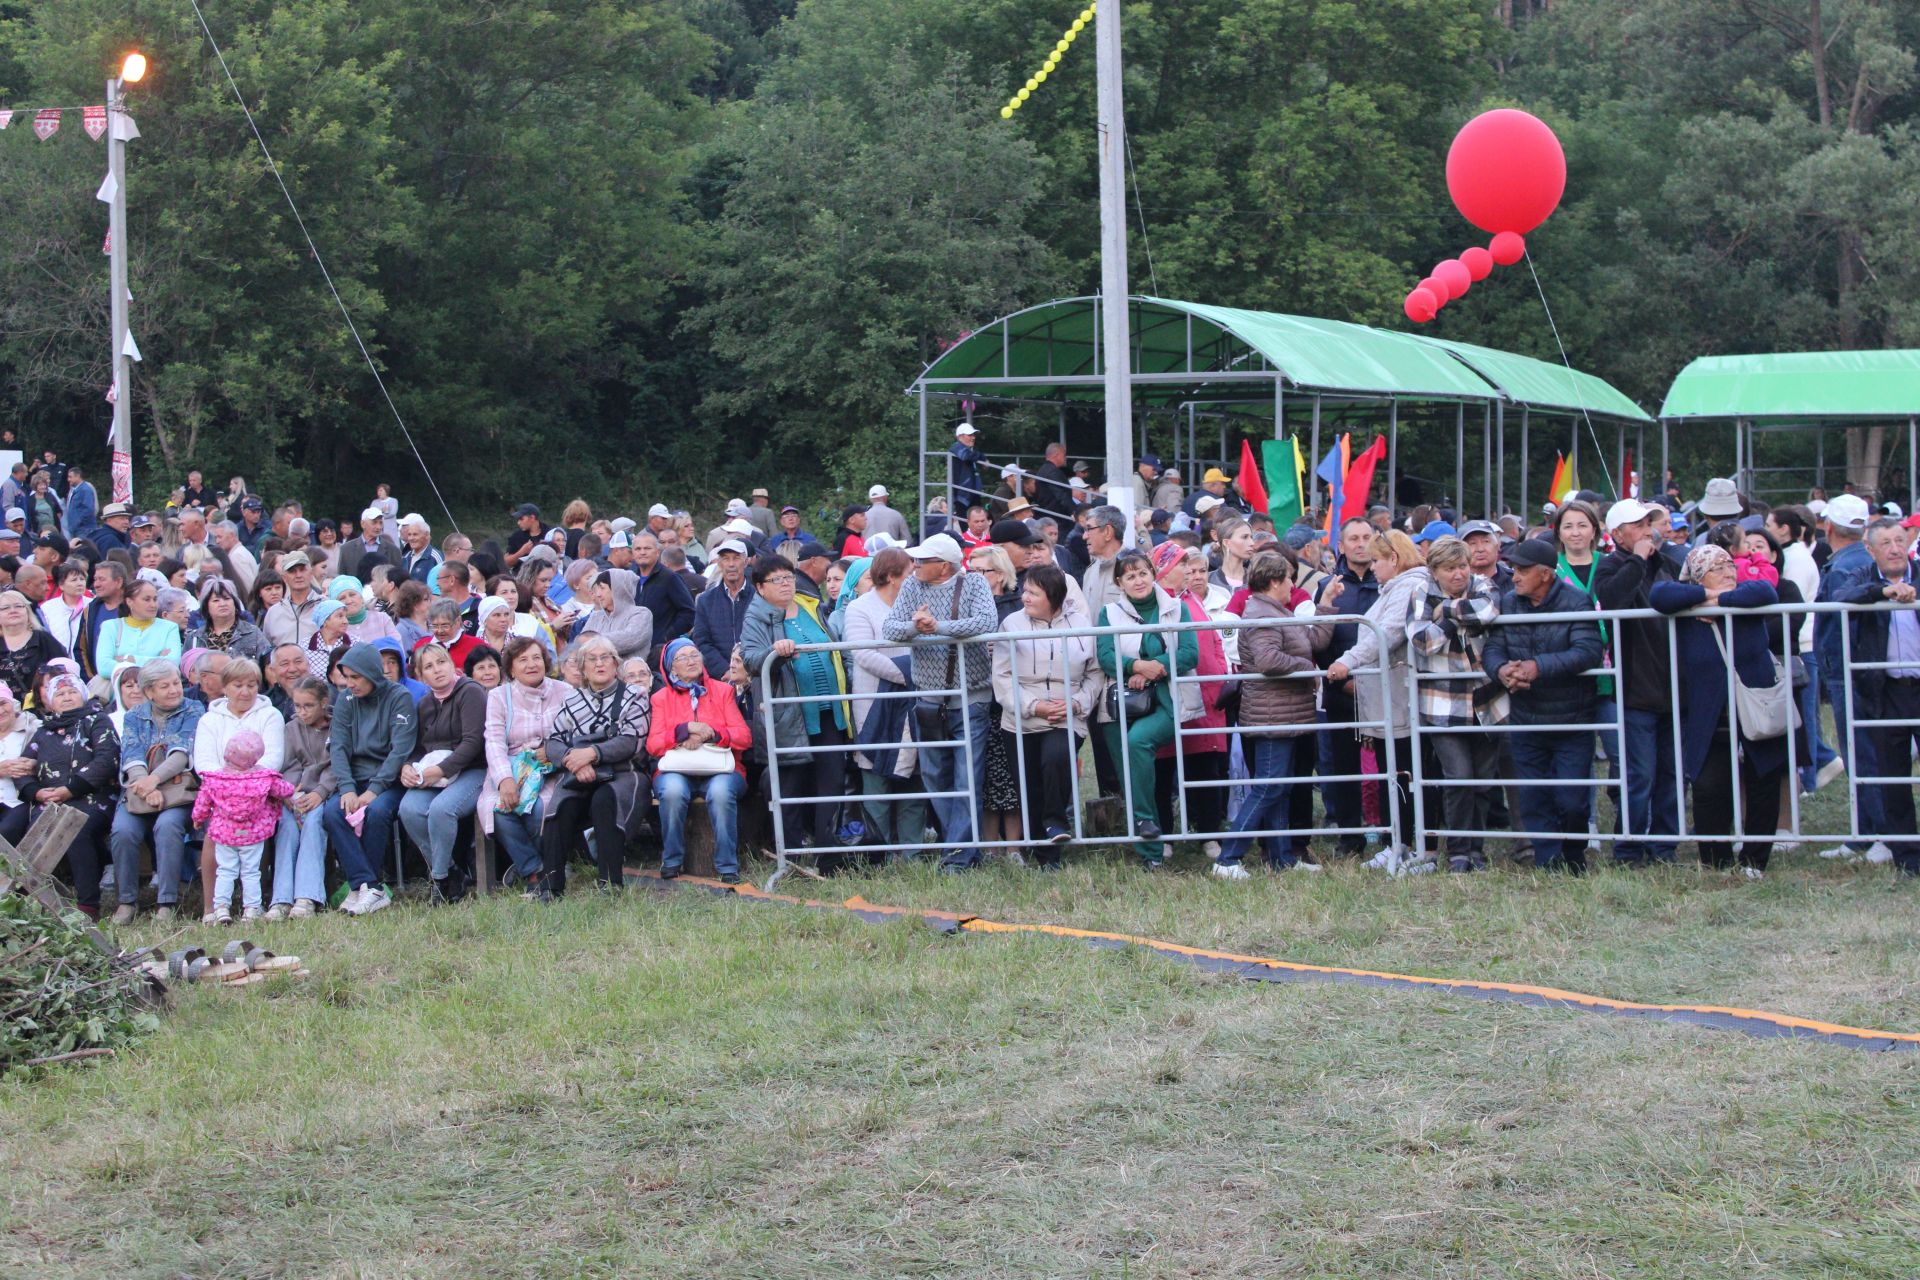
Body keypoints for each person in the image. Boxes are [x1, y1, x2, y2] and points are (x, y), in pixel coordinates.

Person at [1651, 543, 1792, 878]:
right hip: (1710, 712)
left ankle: (1755, 861)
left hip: (1756, 705)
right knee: (1710, 787)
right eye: (1718, 567)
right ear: (1699, 574)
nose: (1729, 570)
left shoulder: (1746, 592)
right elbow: (1660, 596)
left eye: (1730, 564)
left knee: (1763, 783)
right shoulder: (1685, 604)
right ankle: (1715, 862)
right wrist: (1702, 596)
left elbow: (1765, 592)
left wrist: (1718, 601)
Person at [1483, 539, 1604, 872]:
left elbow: (1587, 652)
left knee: (1572, 799)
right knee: (1533, 796)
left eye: (1522, 570)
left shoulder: (1577, 601)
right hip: (1526, 717)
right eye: (1514, 569)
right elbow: (1493, 648)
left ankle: (1575, 856)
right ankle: (1549, 861)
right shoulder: (1508, 602)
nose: (1515, 575)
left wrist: (1538, 666)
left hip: (1571, 719)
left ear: (1546, 574)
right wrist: (1502, 670)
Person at [879, 535, 997, 869]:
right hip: (928, 698)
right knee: (934, 775)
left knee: (966, 777)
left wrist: (937, 627)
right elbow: (891, 628)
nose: (914, 566)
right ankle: (959, 849)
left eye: (922, 560)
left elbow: (987, 622)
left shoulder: (974, 583)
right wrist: (918, 627)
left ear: (944, 566)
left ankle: (957, 857)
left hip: (971, 695)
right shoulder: (913, 588)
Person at [1211, 551, 1331, 878]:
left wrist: (1328, 605)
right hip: (1271, 715)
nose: (1293, 584)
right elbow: (1267, 661)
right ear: (1275, 581)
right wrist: (1308, 669)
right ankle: (1228, 858)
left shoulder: (1273, 610)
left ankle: (1281, 858)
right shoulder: (1263, 614)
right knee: (1268, 787)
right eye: (1289, 578)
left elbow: (1311, 639)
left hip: (1282, 714)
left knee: (1278, 787)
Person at [741, 556, 853, 859]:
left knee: (831, 781)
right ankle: (790, 857)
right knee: (791, 786)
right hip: (789, 715)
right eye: (776, 580)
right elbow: (750, 659)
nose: (785, 584)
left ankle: (828, 855)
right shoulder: (757, 617)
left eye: (788, 577)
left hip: (829, 710)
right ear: (760, 587)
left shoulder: (810, 605)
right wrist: (774, 653)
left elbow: (835, 648)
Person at [1325, 530, 1425, 869]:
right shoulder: (1397, 588)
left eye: (1378, 560)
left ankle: (1407, 843)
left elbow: (1387, 633)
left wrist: (1346, 662)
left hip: (1399, 699)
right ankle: (1400, 841)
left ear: (1393, 559)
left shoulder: (1407, 587)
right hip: (1390, 699)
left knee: (1402, 773)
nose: (1374, 567)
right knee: (1394, 772)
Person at [1095, 550, 1200, 869]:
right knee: (1129, 773)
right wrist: (1135, 666)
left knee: (1138, 742)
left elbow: (1189, 653)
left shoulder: (1176, 608)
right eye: (1130, 576)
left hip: (1168, 699)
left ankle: (1145, 827)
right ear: (1119, 583)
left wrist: (1156, 667)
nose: (1138, 580)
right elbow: (1105, 655)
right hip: (1121, 702)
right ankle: (1150, 852)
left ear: (1153, 574)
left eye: (1142, 573)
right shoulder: (1108, 613)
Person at [1405, 537, 1503, 873]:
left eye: (1462, 566)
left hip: (1486, 700)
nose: (1459, 574)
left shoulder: (1483, 583)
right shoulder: (1420, 594)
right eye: (1449, 569)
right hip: (1442, 704)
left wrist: (1445, 611)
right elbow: (1423, 641)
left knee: (1483, 780)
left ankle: (1477, 849)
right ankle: (1457, 850)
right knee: (1458, 777)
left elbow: (1489, 611)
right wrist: (1457, 619)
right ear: (1434, 571)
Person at [990, 562, 1099, 862]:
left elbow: (1095, 673)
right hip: (1020, 717)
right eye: (1024, 591)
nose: (1024, 597)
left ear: (1053, 596)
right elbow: (1002, 676)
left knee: (1055, 759)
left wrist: (1076, 703)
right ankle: (1043, 853)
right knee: (1029, 785)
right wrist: (1033, 706)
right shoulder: (1011, 625)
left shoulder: (1082, 625)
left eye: (1033, 593)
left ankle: (1055, 823)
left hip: (1067, 714)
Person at [1594, 498, 1682, 866]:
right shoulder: (1611, 566)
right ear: (1617, 535)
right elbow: (1613, 598)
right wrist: (1638, 560)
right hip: (1633, 688)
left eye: (1651, 521)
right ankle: (1628, 847)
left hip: (1673, 686)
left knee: (1671, 774)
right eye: (1639, 524)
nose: (1649, 529)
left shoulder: (1669, 565)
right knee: (1638, 775)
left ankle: (1665, 846)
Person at [1834, 518, 1920, 877]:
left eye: (1900, 540)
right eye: (1885, 543)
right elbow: (1839, 598)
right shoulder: (1862, 576)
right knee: (1892, 776)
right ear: (1870, 550)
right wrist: (1881, 593)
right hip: (1885, 691)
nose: (1894, 548)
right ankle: (1909, 860)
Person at [536, 633, 649, 898]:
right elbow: (553, 742)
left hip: (623, 772)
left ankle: (610, 883)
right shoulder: (572, 700)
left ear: (615, 664)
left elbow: (631, 742)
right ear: (583, 667)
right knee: (560, 807)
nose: (599, 664)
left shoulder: (635, 695)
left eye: (605, 658)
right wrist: (571, 761)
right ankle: (551, 886)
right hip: (578, 771)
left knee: (603, 800)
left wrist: (591, 754)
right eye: (592, 659)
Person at [1814, 494, 1887, 862]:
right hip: (1851, 670)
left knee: (1863, 753)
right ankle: (1865, 835)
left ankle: (1880, 835)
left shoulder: (1844, 567)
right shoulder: (1859, 560)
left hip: (1848, 671)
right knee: (1861, 752)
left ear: (1829, 527)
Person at [320, 643, 419, 916]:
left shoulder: (399, 696)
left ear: (372, 673)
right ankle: (368, 885)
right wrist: (347, 789)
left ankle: (365, 887)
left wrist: (374, 789)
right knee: (332, 812)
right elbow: (338, 746)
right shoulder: (345, 700)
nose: (349, 684)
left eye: (356, 677)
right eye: (346, 677)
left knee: (375, 812)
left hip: (389, 780)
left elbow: (401, 749)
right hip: (355, 779)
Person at [841, 548, 928, 856]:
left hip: (914, 705)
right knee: (876, 779)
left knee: (914, 779)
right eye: (908, 573)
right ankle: (876, 854)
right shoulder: (860, 608)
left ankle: (912, 852)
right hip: (874, 703)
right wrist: (912, 676)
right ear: (891, 577)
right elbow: (863, 654)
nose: (914, 578)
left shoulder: (917, 605)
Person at [106, 659, 204, 925]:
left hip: (178, 791)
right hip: (140, 790)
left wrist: (155, 781)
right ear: (149, 692)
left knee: (167, 826)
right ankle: (126, 901)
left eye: (176, 683)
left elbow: (182, 752)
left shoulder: (193, 709)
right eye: (165, 686)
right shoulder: (134, 716)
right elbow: (132, 755)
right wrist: (147, 787)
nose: (174, 690)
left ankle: (166, 902)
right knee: (123, 831)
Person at [647, 638, 752, 883]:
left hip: (722, 767)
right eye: (682, 657)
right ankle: (672, 860)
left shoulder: (722, 690)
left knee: (721, 792)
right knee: (672, 790)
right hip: (677, 768)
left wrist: (712, 733)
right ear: (671, 667)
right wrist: (682, 732)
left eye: (694, 654)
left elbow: (744, 737)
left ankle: (727, 866)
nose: (691, 660)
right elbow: (653, 745)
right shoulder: (660, 698)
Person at [22, 668, 118, 919]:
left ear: (84, 694)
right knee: (36, 831)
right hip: (49, 801)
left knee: (75, 828)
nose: (66, 696)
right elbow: (23, 768)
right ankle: (34, 902)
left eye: (72, 691)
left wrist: (70, 789)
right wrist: (37, 792)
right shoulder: (43, 731)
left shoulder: (97, 721)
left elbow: (106, 760)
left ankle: (88, 905)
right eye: (60, 693)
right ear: (50, 701)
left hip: (93, 798)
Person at [397, 642, 489, 902]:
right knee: (409, 809)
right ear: (419, 676)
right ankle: (451, 871)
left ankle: (439, 881)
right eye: (429, 666)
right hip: (435, 774)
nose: (437, 670)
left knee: (441, 810)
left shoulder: (471, 692)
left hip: (473, 769)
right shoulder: (425, 704)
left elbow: (473, 743)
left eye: (441, 662)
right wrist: (407, 767)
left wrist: (441, 769)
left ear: (452, 665)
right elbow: (418, 748)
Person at [1313, 518, 1382, 857]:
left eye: (1367, 537)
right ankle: (1349, 837)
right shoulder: (1328, 585)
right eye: (1353, 538)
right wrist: (1341, 678)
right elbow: (1320, 639)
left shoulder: (1389, 583)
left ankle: (1392, 833)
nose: (1360, 544)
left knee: (1389, 764)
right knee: (1344, 768)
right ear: (1340, 546)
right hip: (1342, 690)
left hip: (1385, 690)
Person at [481, 636, 571, 891]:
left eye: (536, 658)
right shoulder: (499, 696)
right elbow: (494, 740)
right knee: (497, 808)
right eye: (523, 660)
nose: (532, 664)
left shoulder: (564, 691)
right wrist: (505, 779)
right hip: (511, 765)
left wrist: (552, 752)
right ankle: (535, 869)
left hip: (551, 769)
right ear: (511, 669)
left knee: (540, 809)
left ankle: (546, 866)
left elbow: (575, 734)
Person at [1153, 543, 1229, 842]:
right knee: (1162, 770)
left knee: (1205, 770)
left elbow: (1215, 643)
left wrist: (1221, 676)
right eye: (1182, 565)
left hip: (1206, 701)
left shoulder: (1193, 600)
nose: (1188, 571)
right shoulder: (1153, 601)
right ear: (1165, 569)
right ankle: (1165, 837)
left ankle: (1209, 834)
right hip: (1167, 698)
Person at [190, 728, 293, 924]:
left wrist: (198, 818)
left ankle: (221, 908)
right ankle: (251, 909)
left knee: (226, 870)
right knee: (251, 871)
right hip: (252, 835)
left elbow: (203, 802)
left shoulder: (215, 779)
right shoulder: (263, 778)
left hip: (224, 834)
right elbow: (284, 790)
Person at [268, 675, 335, 919]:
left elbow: (338, 764)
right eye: (298, 706)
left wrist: (320, 792)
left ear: (323, 703)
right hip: (295, 793)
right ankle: (281, 899)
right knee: (286, 825)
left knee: (315, 822)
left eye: (308, 706)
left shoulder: (338, 725)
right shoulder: (291, 728)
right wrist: (289, 793)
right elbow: (286, 765)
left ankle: (307, 896)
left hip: (325, 792)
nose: (302, 712)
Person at [691, 538, 756, 679]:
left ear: (746, 562)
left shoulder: (760, 597)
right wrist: (725, 670)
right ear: (719, 564)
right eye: (726, 559)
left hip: (754, 675)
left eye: (736, 558)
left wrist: (747, 670)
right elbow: (702, 641)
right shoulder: (705, 600)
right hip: (720, 679)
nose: (731, 564)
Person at [93, 579, 181, 677]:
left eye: (155, 599)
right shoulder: (110, 627)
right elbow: (104, 668)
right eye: (146, 599)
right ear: (129, 602)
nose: (153, 604)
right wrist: (158, 659)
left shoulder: (169, 627)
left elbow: (172, 665)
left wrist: (129, 659)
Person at [0, 589, 67, 710]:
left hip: (43, 711)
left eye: (18, 606)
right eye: (5, 608)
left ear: (27, 611)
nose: (13, 611)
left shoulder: (43, 639)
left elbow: (64, 673)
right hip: (5, 714)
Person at [576, 568, 653, 662]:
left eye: (602, 588)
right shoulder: (595, 616)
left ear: (618, 589)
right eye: (597, 589)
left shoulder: (641, 614)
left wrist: (592, 640)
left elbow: (629, 639)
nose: (598, 594)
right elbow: (580, 645)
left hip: (629, 674)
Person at [186, 578, 270, 663]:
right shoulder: (195, 638)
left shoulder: (253, 633)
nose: (222, 604)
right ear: (206, 607)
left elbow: (268, 665)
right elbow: (185, 672)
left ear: (235, 603)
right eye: (216, 600)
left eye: (227, 598)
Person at [0, 684, 39, 847]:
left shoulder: (33, 727)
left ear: (12, 702)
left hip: (18, 801)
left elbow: (54, 757)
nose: (0, 711)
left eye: (3, 703)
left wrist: (35, 763)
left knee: (5, 834)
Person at [39, 560, 90, 658]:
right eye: (74, 580)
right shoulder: (48, 608)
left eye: (82, 579)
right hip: (58, 662)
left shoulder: (93, 605)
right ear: (61, 585)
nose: (80, 583)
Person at [305, 598, 352, 679]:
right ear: (325, 620)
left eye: (345, 616)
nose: (346, 621)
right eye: (340, 616)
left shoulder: (355, 644)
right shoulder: (304, 647)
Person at [949, 423, 983, 510]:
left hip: (970, 494)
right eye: (970, 435)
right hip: (963, 495)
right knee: (967, 522)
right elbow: (967, 456)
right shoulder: (956, 447)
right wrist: (982, 458)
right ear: (960, 437)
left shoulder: (968, 451)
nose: (973, 437)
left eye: (973, 435)